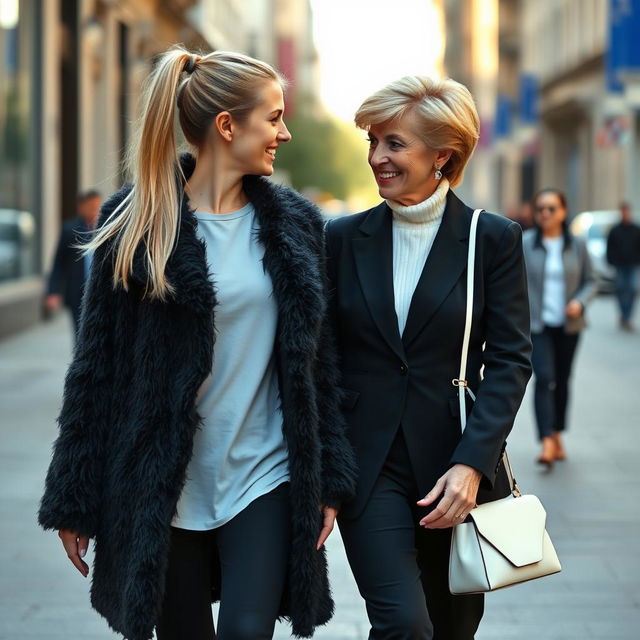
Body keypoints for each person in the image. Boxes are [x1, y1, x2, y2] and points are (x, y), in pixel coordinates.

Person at [38, 46, 356, 640]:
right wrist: (72, 496)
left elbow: (321, 368)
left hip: (265, 474)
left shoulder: (296, 225)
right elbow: (95, 370)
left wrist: (330, 475)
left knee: (244, 630)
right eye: (274, 118)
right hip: (164, 482)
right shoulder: (134, 224)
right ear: (227, 125)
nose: (284, 133)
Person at [325, 76, 532, 640]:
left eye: (394, 143)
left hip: (455, 464)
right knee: (405, 625)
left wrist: (473, 463)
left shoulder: (490, 239)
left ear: (442, 154)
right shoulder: (341, 239)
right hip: (367, 467)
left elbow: (511, 360)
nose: (377, 158)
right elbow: (323, 357)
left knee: (449, 628)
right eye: (373, 142)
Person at [523, 188, 596, 467]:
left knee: (563, 381)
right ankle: (546, 441)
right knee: (544, 378)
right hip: (537, 325)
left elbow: (592, 280)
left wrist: (579, 301)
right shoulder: (526, 242)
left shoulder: (576, 244)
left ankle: (556, 432)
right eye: (540, 208)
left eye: (551, 208)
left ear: (563, 212)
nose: (545, 213)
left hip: (569, 325)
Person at [45, 189, 102, 337]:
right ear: (81, 207)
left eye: (98, 206)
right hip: (77, 291)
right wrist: (53, 292)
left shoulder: (106, 228)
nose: (95, 210)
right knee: (80, 333)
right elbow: (58, 263)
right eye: (91, 206)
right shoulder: (69, 230)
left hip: (100, 290)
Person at [606, 201, 640, 331]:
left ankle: (627, 317)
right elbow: (610, 247)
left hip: (633, 264)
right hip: (619, 264)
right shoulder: (615, 230)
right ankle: (623, 314)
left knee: (632, 289)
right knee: (620, 289)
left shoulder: (636, 229)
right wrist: (610, 260)